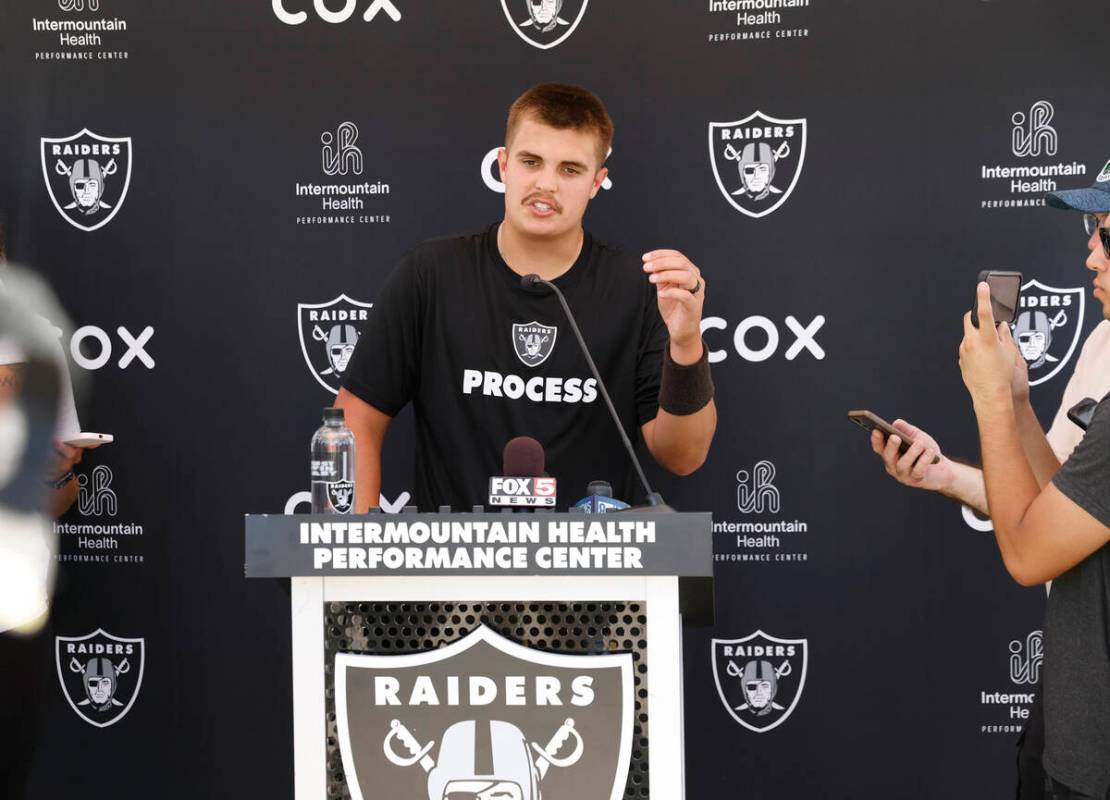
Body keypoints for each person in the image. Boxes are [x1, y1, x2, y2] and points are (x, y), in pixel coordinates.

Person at [336, 83, 716, 511]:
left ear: (597, 182)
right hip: (451, 568)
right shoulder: (431, 273)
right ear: (503, 166)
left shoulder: (638, 288)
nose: (546, 183)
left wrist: (686, 344)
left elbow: (683, 456)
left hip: (596, 570)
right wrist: (351, 554)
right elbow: (354, 423)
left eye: (570, 170)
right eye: (531, 162)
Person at [874, 166, 1110, 799]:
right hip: (1079, 704)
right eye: (1093, 229)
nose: (1090, 252)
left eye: (1107, 235)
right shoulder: (1101, 345)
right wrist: (1020, 404)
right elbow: (1067, 496)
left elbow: (1031, 552)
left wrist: (990, 404)